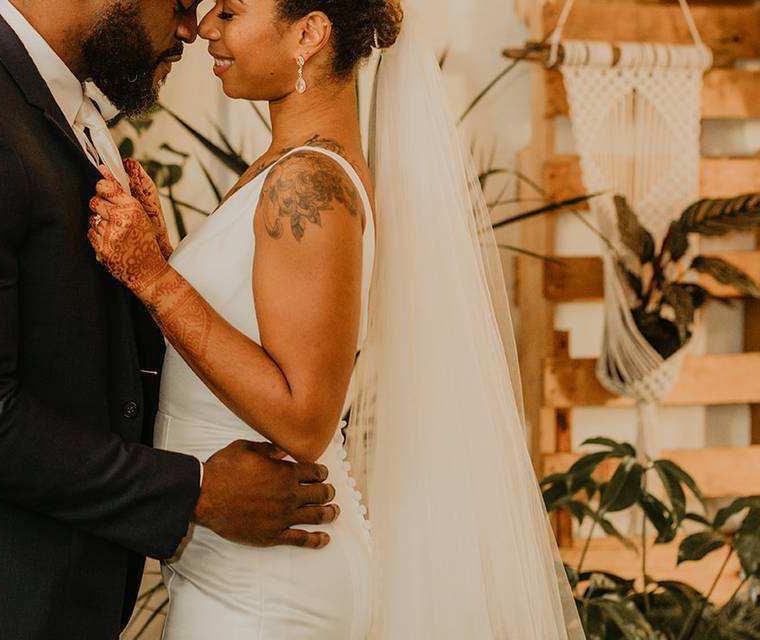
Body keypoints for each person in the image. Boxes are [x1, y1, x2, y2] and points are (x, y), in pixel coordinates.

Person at [0, 1, 339, 638]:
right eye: (178, 2)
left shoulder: (49, 106)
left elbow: (74, 342)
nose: (189, 29)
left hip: (33, 593)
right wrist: (195, 490)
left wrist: (158, 272)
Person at [88, 0, 588, 638]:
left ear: (309, 32)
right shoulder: (288, 165)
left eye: (233, 10)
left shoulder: (308, 185)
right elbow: (253, 333)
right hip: (238, 560)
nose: (207, 26)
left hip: (272, 587)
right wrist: (164, 259)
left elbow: (305, 417)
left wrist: (155, 281)